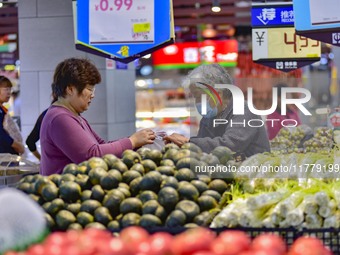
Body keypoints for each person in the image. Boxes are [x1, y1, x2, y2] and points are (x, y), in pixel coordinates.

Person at [40, 58, 155, 175]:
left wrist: (138, 141)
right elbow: (92, 156)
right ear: (70, 89)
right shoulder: (60, 118)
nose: (93, 95)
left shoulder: (74, 116)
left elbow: (101, 145)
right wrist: (132, 141)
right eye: (90, 89)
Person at [163, 64, 270, 157]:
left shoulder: (244, 110)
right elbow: (202, 151)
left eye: (199, 96)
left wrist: (188, 142)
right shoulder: (208, 118)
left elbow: (229, 145)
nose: (197, 102)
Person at [0, 76, 25, 155]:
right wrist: (15, 144)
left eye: (10, 89)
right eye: (6, 89)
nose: (9, 92)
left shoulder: (2, 110)